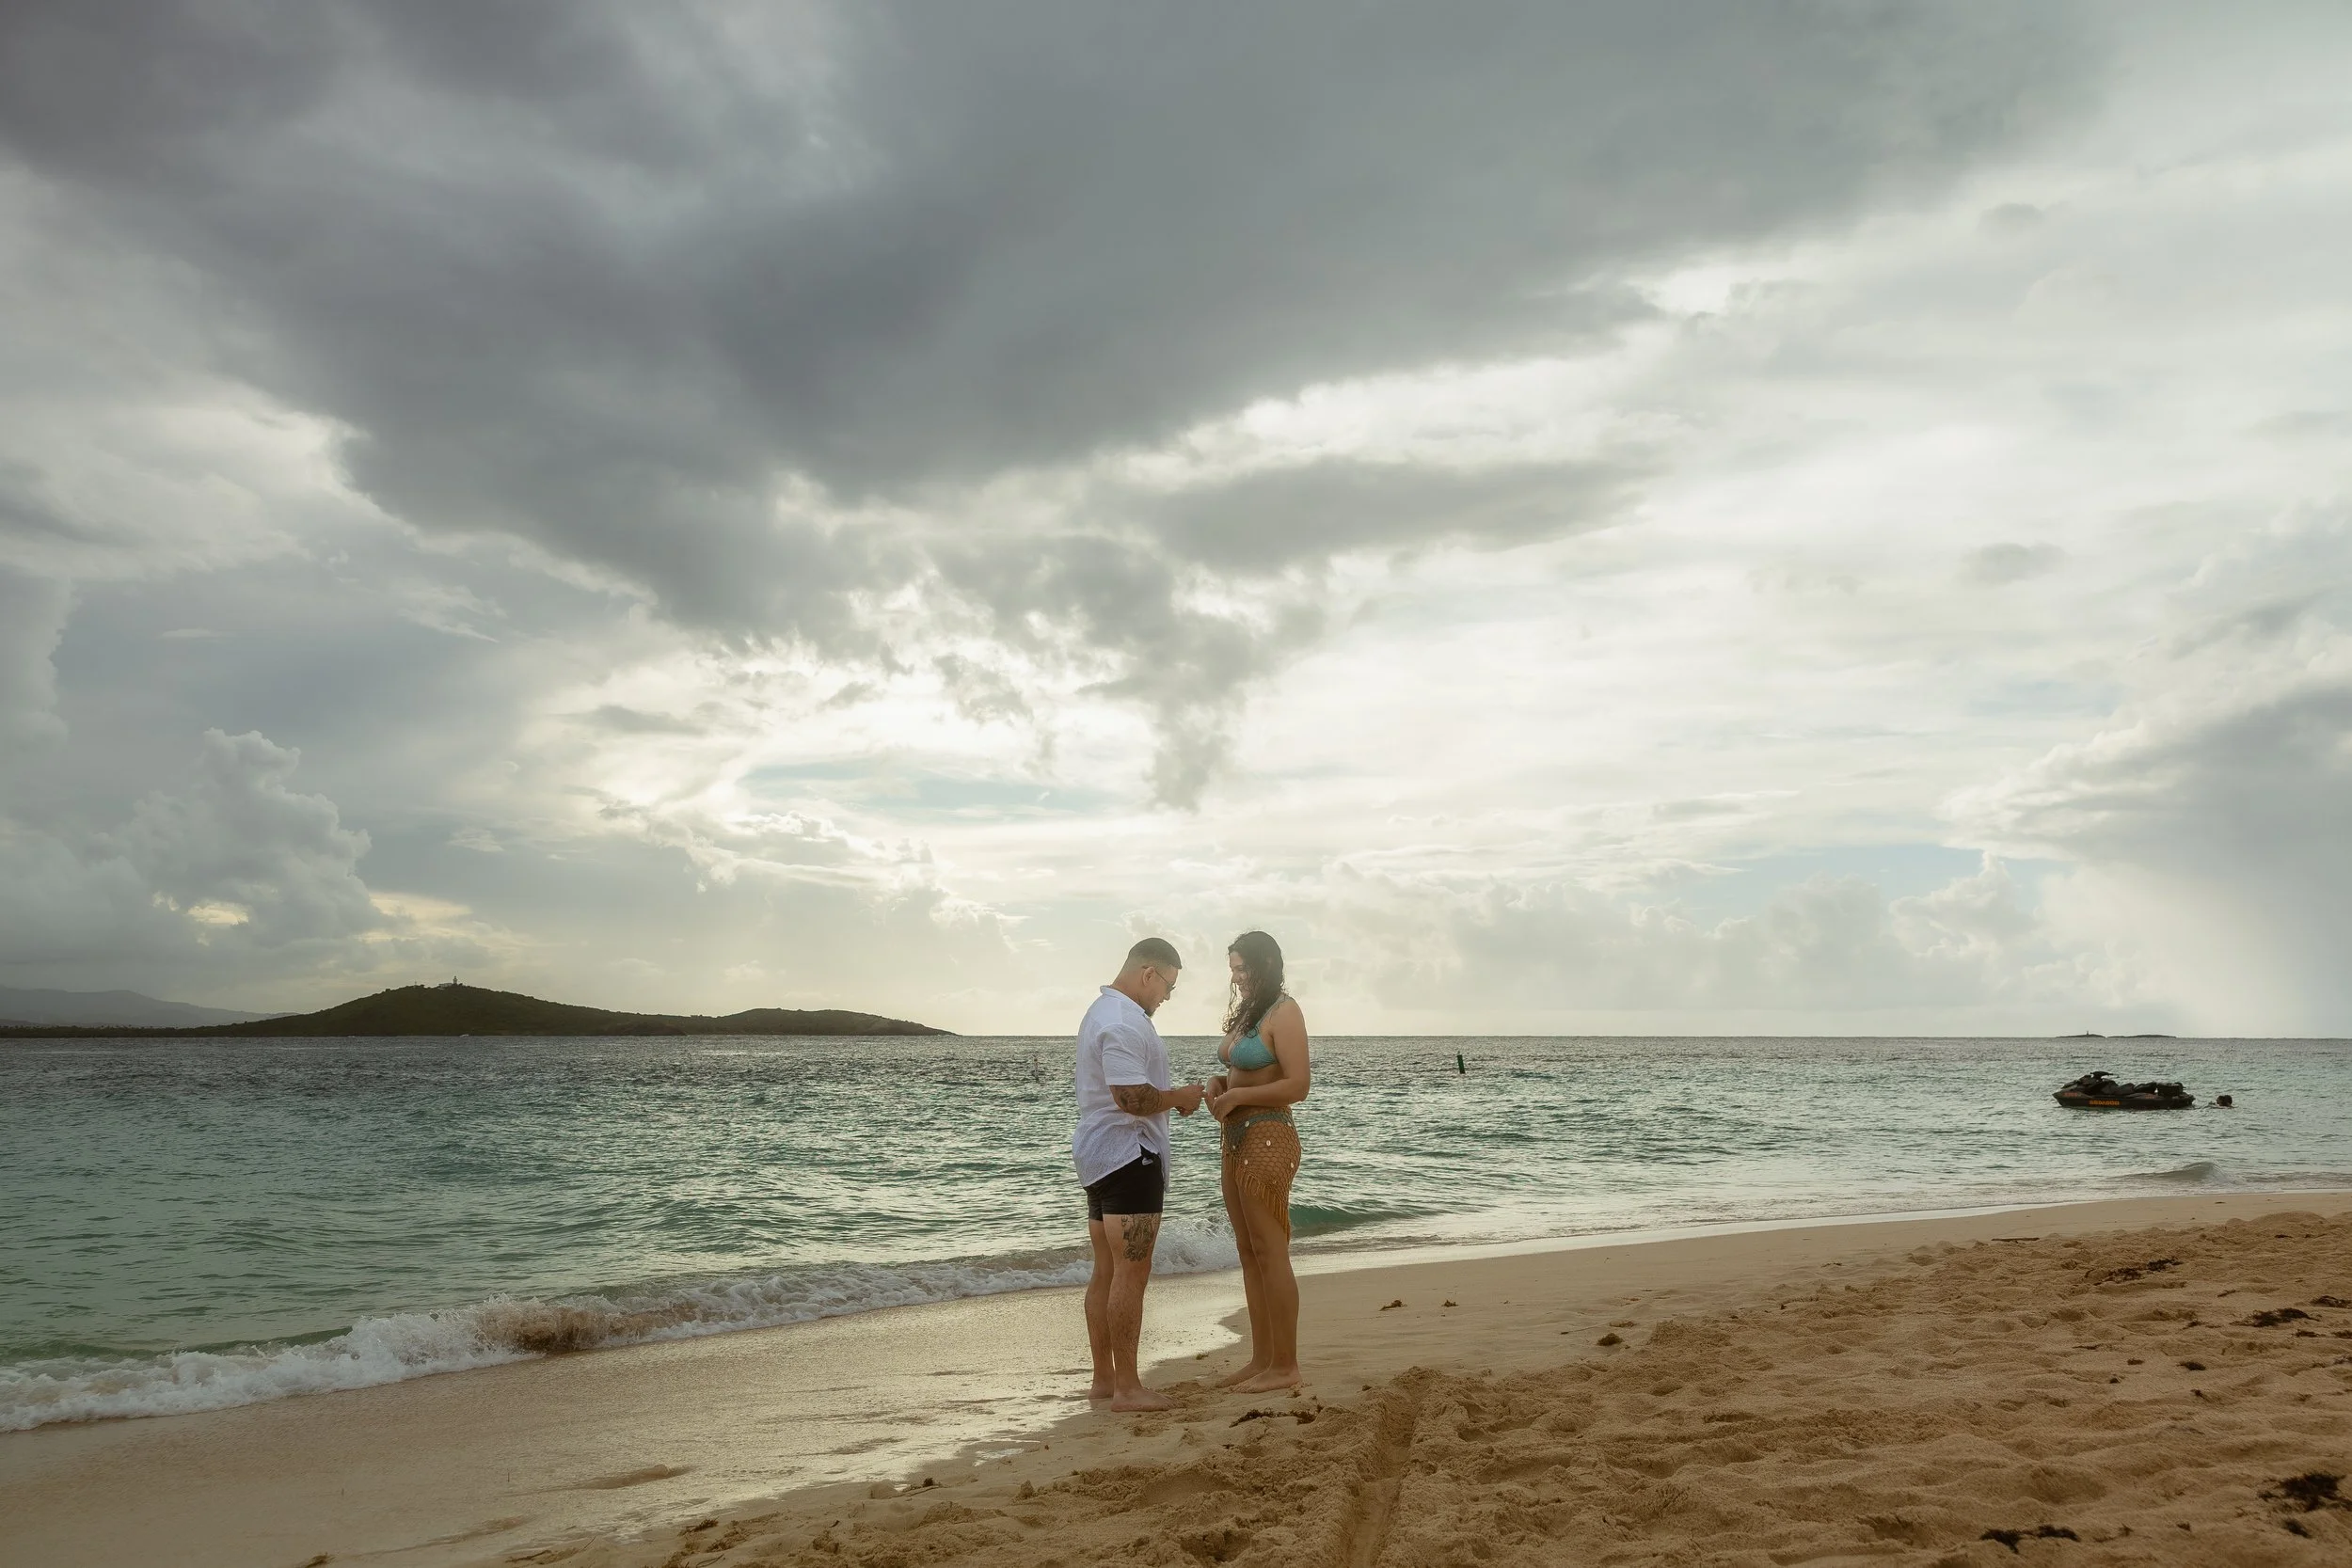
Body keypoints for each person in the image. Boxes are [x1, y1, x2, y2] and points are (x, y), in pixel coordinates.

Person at [1073, 937, 1204, 1411]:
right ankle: (1127, 1387)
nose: (1167, 996)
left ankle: (1105, 1381)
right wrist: (1179, 1097)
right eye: (1168, 986)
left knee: (1106, 1270)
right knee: (1131, 1271)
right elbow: (1130, 1097)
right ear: (1148, 973)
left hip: (1099, 1153)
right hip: (1130, 1154)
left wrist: (1167, 1099)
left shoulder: (1101, 1011)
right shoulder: (1125, 1020)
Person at [1204, 929, 1311, 1392]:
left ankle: (1286, 1366)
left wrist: (1241, 1095)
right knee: (1248, 1252)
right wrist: (1217, 1084)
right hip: (1234, 1137)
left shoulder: (1285, 1011)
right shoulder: (1249, 1013)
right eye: (1233, 970)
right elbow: (1240, 1070)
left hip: (1269, 1135)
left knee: (1270, 1250)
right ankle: (1262, 1359)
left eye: (1243, 969)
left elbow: (1298, 1085)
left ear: (1266, 966)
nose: (1238, 977)